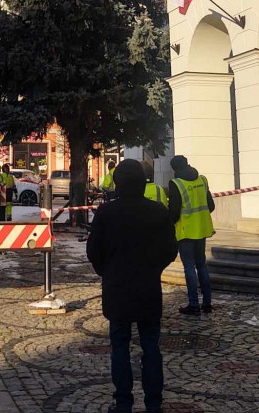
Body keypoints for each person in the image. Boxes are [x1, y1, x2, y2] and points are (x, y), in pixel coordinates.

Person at [87, 159, 178, 413]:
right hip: (148, 289)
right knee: (151, 349)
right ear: (143, 182)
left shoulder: (106, 213)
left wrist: (107, 272)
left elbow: (93, 251)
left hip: (117, 291)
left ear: (117, 184)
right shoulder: (158, 211)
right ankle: (154, 404)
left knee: (119, 348)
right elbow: (171, 250)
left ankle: (123, 402)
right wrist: (154, 269)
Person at [167, 154, 215, 316]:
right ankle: (207, 303)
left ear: (174, 169)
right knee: (201, 265)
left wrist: (168, 224)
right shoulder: (202, 180)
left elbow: (174, 211)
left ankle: (193, 304)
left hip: (186, 231)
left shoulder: (176, 184)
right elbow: (211, 205)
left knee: (189, 267)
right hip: (202, 229)